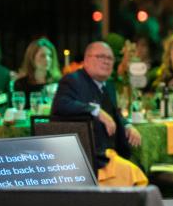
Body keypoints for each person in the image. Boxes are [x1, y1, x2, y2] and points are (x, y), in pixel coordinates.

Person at [52, 42, 147, 187]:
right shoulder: (72, 80)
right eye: (101, 56)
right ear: (87, 59)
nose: (106, 61)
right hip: (87, 157)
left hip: (112, 152)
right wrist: (96, 111)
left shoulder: (108, 85)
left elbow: (114, 113)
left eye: (110, 58)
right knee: (134, 174)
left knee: (142, 167)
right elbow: (62, 105)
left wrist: (127, 125)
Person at [12, 37, 61, 110]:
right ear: (32, 58)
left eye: (50, 56)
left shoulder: (58, 82)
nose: (47, 59)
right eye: (42, 56)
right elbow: (19, 111)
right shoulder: (21, 84)